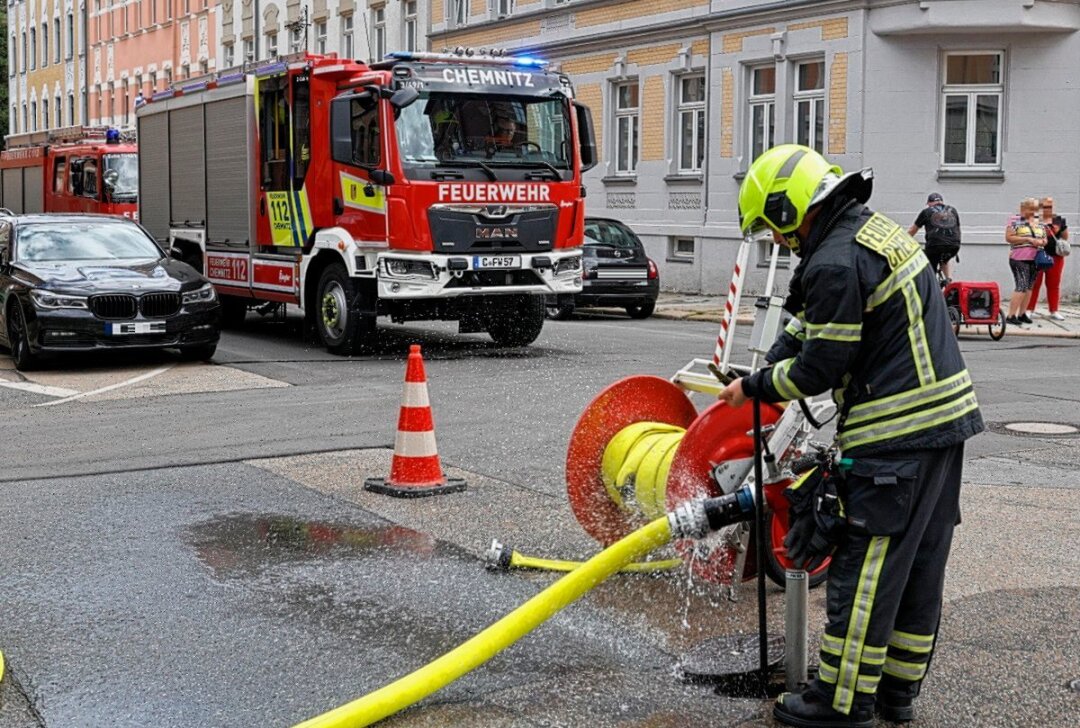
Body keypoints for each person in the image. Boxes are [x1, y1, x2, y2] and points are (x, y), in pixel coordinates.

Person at [721, 144, 984, 728]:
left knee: (866, 568)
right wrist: (764, 365)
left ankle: (839, 704)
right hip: (943, 425)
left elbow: (816, 369)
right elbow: (807, 326)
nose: (779, 242)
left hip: (896, 434)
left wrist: (755, 387)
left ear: (791, 211)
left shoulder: (836, 260)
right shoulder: (868, 233)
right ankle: (896, 693)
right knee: (917, 565)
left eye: (773, 228)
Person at [1005, 197, 1046, 326]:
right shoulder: (1015, 220)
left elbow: (1045, 238)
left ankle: (1022, 314)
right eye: (1031, 208)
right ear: (1023, 209)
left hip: (1035, 258)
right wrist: (1028, 239)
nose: (1033, 211)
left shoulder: (1039, 223)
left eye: (1035, 209)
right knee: (1021, 286)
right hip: (1019, 257)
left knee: (1029, 287)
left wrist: (1042, 241)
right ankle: (1011, 315)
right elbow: (1009, 238)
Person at [1027, 196, 1068, 321]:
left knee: (1053, 284)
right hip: (1037, 255)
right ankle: (1029, 309)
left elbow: (1065, 237)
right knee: (1034, 283)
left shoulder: (1059, 220)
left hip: (1055, 256)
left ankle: (1054, 310)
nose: (1046, 210)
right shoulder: (1034, 220)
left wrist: (1059, 229)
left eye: (1048, 207)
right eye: (1044, 207)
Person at [908, 192, 961, 280]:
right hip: (954, 246)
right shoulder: (953, 210)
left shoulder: (926, 212)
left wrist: (902, 241)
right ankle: (949, 281)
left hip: (934, 246)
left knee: (930, 266)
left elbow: (912, 231)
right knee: (946, 258)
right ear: (942, 202)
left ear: (929, 203)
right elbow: (958, 229)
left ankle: (931, 283)